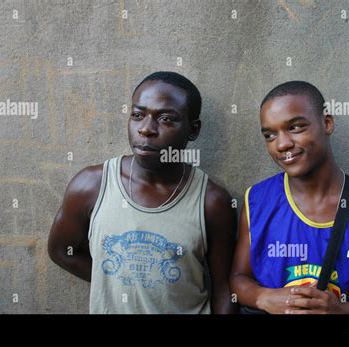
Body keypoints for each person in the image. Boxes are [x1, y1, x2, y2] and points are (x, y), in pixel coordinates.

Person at [48, 71, 237, 314]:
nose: (146, 129)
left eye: (166, 119)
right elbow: (61, 251)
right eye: (138, 115)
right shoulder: (91, 185)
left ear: (193, 129)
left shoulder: (212, 201)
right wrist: (120, 281)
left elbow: (224, 289)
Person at [230, 81, 349, 314]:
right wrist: (264, 297)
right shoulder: (256, 201)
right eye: (270, 135)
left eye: (295, 127)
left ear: (327, 123)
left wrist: (342, 311)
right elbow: (238, 278)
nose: (282, 143)